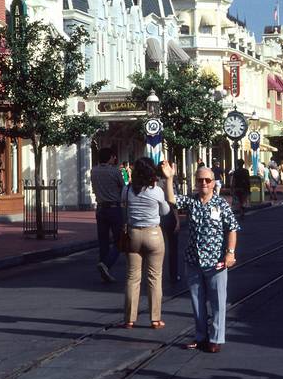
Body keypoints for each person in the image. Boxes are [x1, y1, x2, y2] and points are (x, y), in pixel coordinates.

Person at [164, 163, 239, 353]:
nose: (204, 183)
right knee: (197, 302)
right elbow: (171, 201)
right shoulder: (191, 201)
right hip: (194, 260)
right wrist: (169, 178)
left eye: (207, 180)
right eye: (200, 180)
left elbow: (232, 228)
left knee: (218, 302)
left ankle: (216, 338)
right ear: (196, 183)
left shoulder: (221, 204)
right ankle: (200, 336)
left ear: (214, 183)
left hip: (216, 262)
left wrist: (230, 253)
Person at [120, 157, 172, 329]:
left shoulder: (127, 190)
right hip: (153, 234)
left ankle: (129, 319)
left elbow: (123, 210)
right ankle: (155, 319)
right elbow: (165, 211)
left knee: (132, 278)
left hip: (133, 234)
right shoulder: (155, 191)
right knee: (154, 278)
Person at [90, 147, 125, 283]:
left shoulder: (94, 170)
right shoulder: (115, 171)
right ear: (109, 157)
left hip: (100, 208)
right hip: (114, 208)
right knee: (119, 240)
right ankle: (106, 264)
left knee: (103, 240)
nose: (115, 159)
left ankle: (103, 266)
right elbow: (123, 187)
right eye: (113, 156)